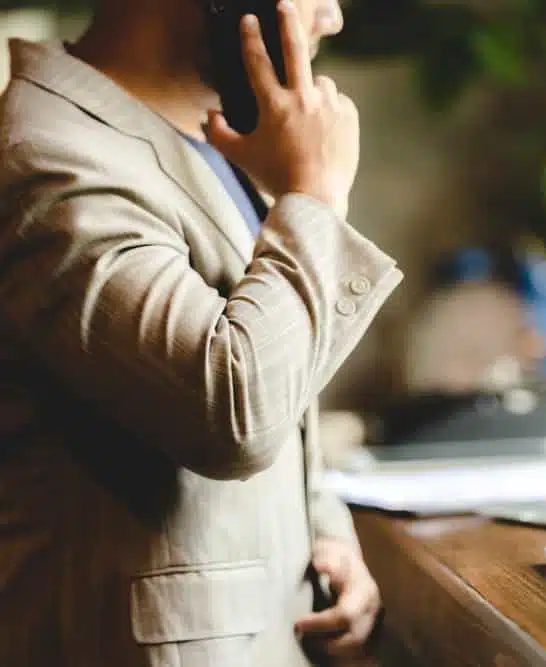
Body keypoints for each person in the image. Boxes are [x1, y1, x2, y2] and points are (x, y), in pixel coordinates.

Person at [0, 0, 402, 665]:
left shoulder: (209, 142)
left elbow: (278, 365)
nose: (330, 17)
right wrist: (316, 198)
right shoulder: (47, 159)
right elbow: (228, 409)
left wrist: (321, 535)